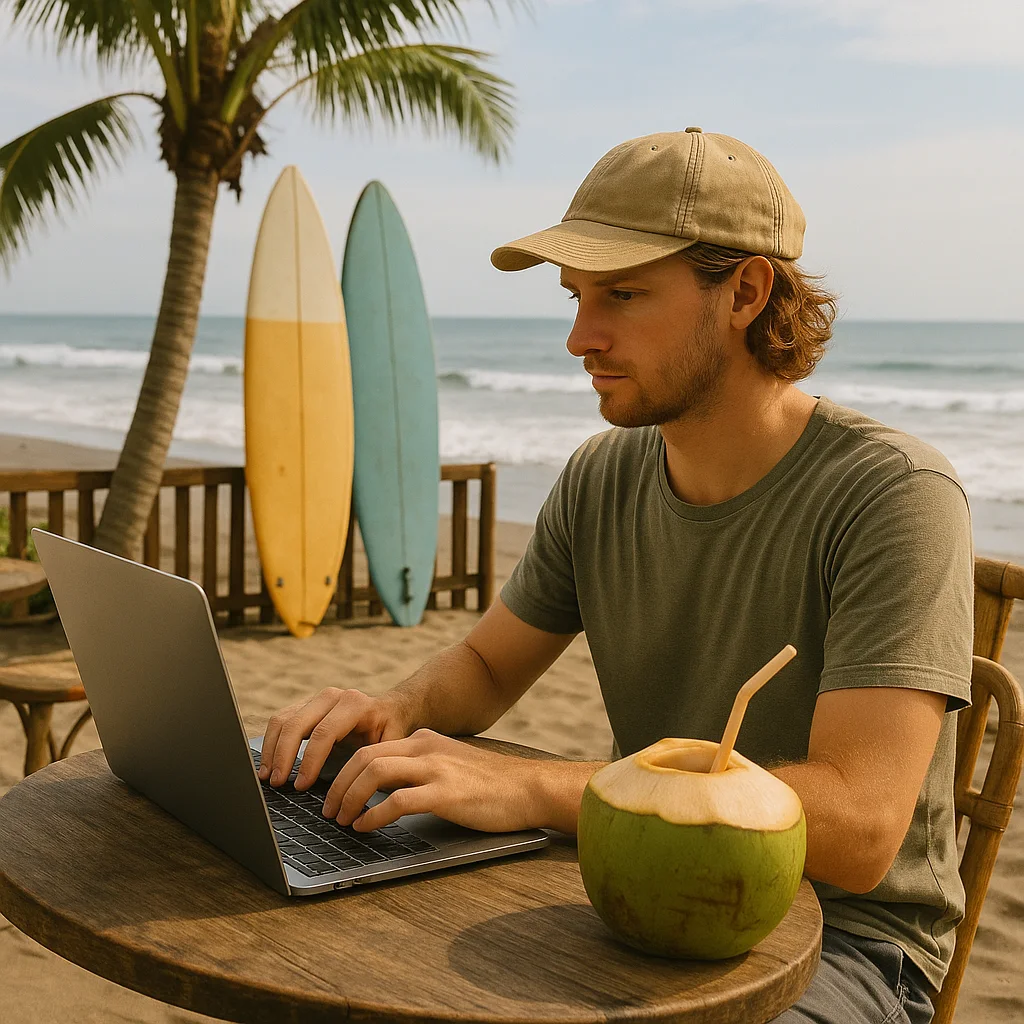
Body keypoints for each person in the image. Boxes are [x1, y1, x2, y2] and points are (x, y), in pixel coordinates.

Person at [259, 128, 973, 1024]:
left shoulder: (892, 494)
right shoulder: (603, 475)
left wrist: (535, 787)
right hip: (630, 890)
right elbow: (484, 671)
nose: (578, 337)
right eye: (575, 296)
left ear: (746, 293)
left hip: (842, 942)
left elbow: (863, 827)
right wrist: (392, 712)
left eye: (624, 295)